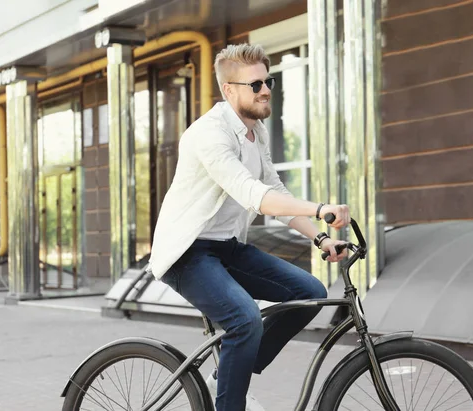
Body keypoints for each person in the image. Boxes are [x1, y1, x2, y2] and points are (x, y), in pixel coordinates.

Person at [148, 43, 351, 411]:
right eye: (255, 84)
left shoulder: (255, 132)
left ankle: (226, 376)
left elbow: (275, 191)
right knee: (245, 319)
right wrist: (321, 208)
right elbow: (253, 194)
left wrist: (320, 237)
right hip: (187, 252)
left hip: (226, 248)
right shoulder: (209, 133)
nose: (266, 90)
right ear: (230, 90)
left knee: (308, 292)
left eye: (267, 81)